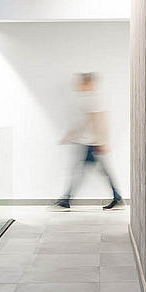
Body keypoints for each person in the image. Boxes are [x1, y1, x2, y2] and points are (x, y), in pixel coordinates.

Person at [54, 72, 124, 210]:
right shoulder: (89, 99)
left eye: (81, 83)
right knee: (89, 171)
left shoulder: (93, 99)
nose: (78, 85)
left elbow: (100, 122)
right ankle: (117, 198)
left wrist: (102, 142)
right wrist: (72, 135)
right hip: (90, 142)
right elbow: (85, 123)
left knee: (82, 172)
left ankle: (66, 199)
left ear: (87, 83)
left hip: (93, 144)